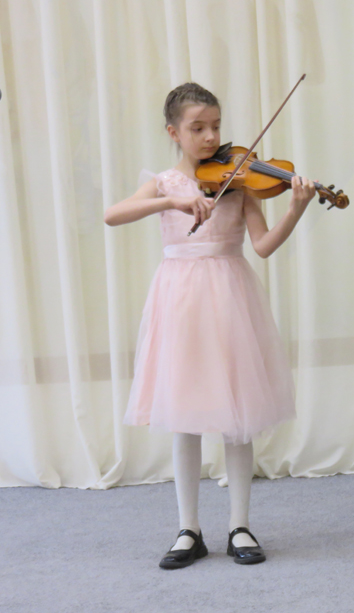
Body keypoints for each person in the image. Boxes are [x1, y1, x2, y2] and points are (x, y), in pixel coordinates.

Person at [104, 82, 315, 568]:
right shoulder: (164, 183)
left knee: (238, 415)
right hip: (180, 300)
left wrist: (297, 207)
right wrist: (169, 202)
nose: (210, 137)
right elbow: (113, 215)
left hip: (230, 296)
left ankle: (240, 525)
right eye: (197, 128)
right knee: (184, 415)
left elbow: (262, 246)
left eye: (216, 126)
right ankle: (189, 529)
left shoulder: (238, 181)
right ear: (173, 132)